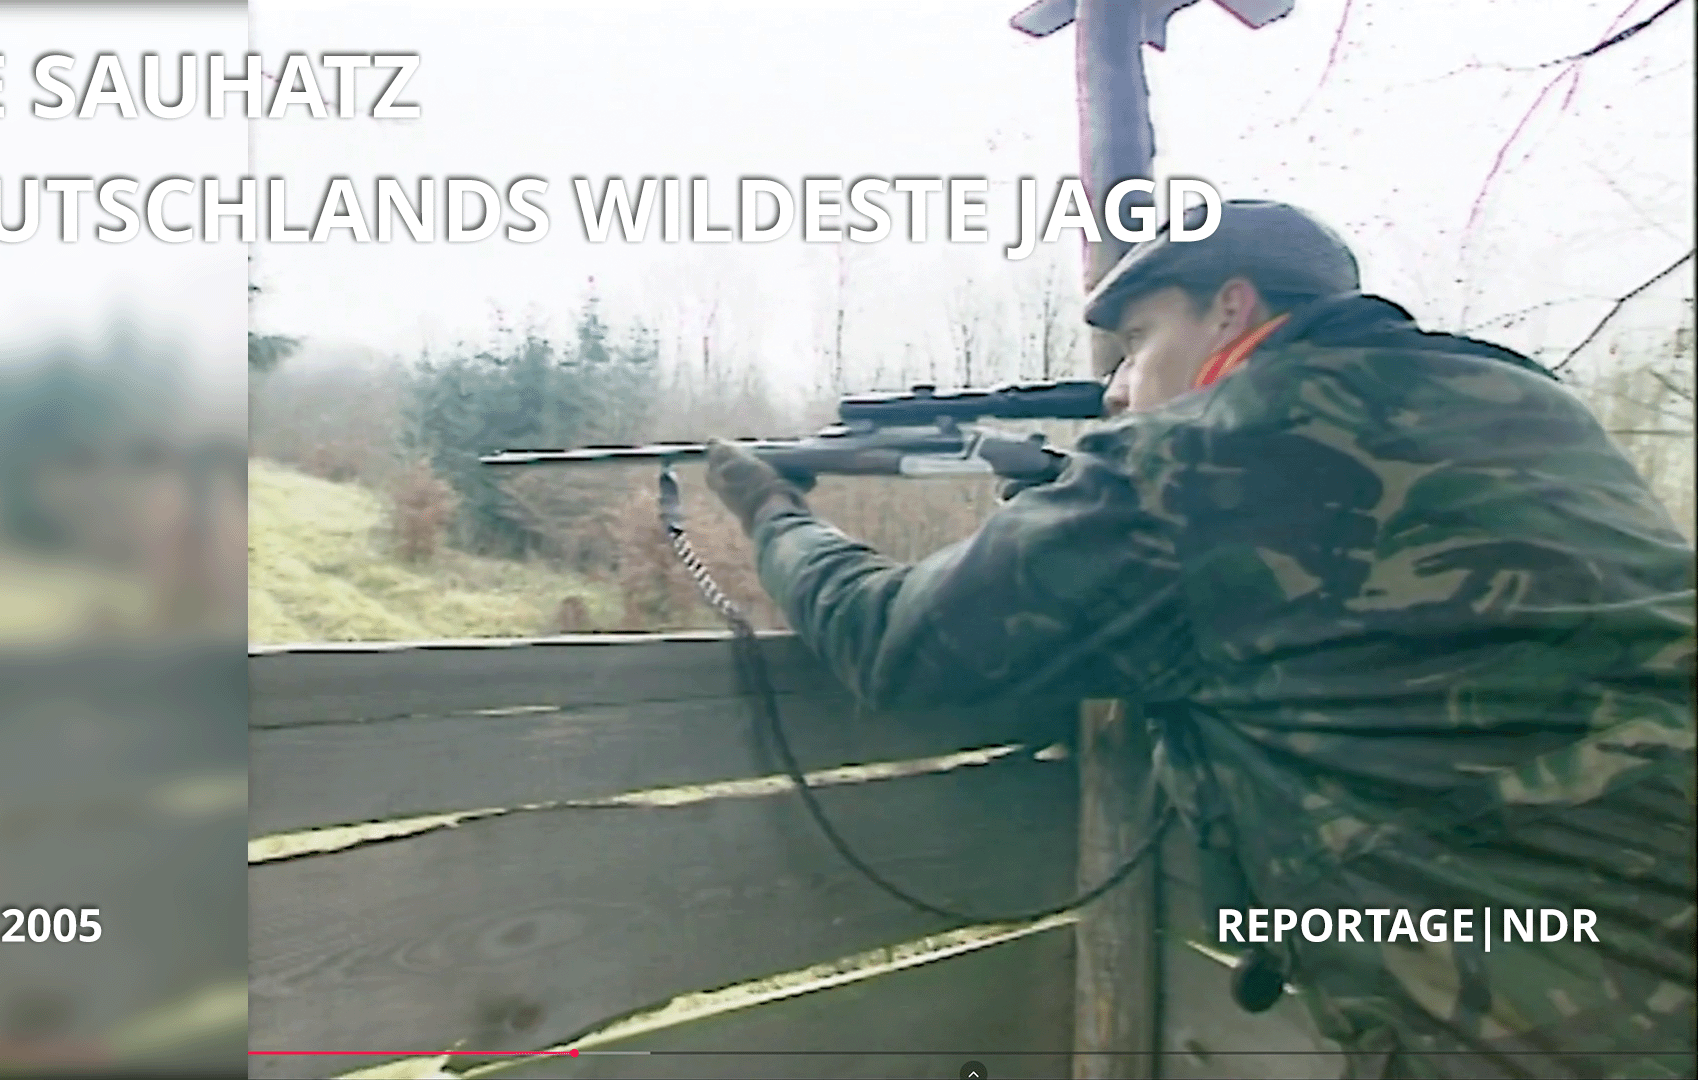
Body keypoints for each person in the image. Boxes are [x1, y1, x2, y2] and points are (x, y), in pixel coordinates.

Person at [703, 200, 1696, 1079]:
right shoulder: (1536, 408)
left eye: (1138, 342)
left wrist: (773, 515)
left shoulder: (1193, 458)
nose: (1118, 390)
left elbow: (894, 642)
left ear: (1230, 308)